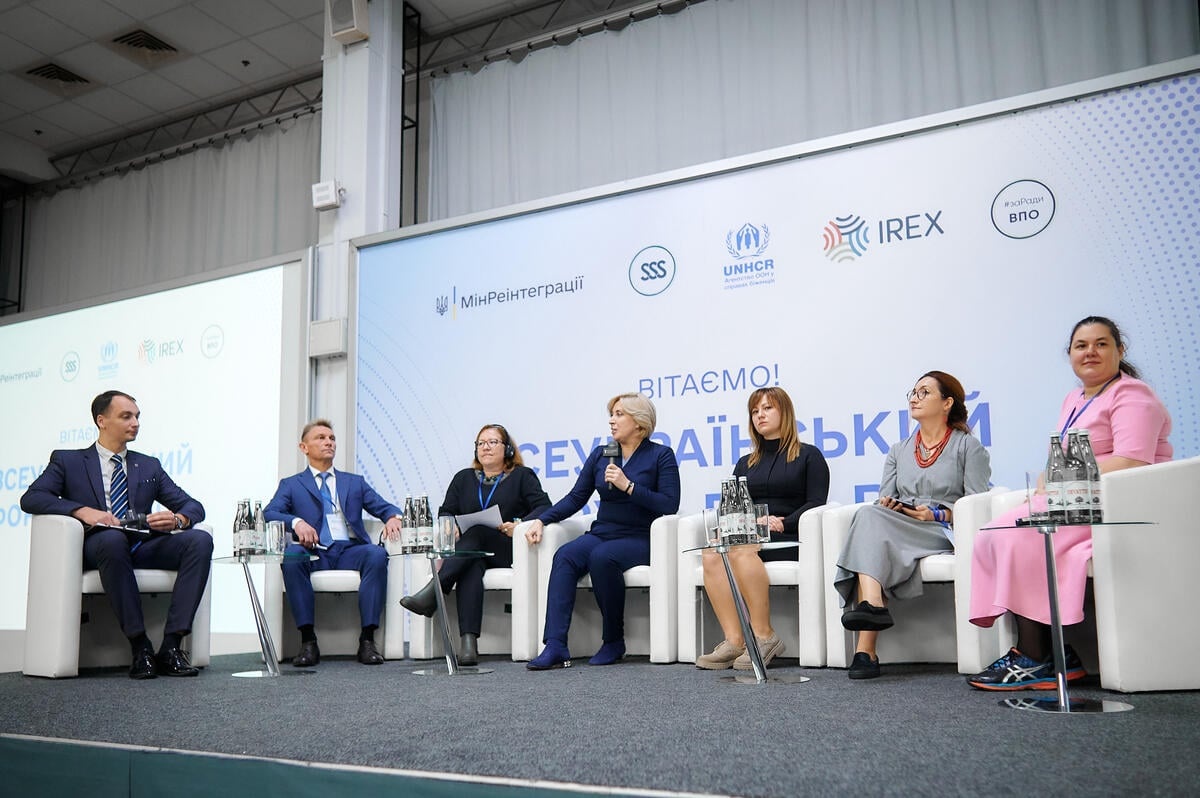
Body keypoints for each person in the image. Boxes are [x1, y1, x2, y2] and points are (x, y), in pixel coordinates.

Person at [967, 316, 1172, 690]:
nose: (1090, 352)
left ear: (1119, 350)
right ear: (1070, 355)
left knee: (1024, 537)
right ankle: (1058, 653)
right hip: (1078, 502)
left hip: (1121, 504)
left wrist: (1062, 476)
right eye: (1081, 345)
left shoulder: (1132, 394)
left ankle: (1034, 656)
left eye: (1101, 344)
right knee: (994, 531)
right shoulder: (1074, 398)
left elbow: (1133, 460)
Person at [21, 390, 213, 680]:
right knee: (111, 540)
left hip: (142, 543)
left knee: (200, 540)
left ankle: (172, 646)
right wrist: (81, 510)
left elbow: (193, 505)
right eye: (126, 416)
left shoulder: (149, 465)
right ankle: (140, 647)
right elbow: (31, 498)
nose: (135, 422)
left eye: (137, 416)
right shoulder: (68, 461)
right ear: (102, 421)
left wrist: (178, 518)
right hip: (98, 544)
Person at [834, 371, 991, 680]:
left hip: (941, 530)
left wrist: (936, 515)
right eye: (913, 392)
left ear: (947, 403)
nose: (914, 398)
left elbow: (977, 505)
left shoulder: (968, 448)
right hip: (902, 526)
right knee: (870, 516)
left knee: (874, 534)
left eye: (924, 392)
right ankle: (872, 607)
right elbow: (885, 498)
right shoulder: (898, 450)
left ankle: (866, 645)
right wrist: (893, 506)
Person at [524, 393, 680, 669]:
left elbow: (669, 504)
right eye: (612, 414)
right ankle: (556, 645)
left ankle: (613, 640)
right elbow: (576, 497)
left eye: (620, 414)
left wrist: (629, 486)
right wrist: (542, 520)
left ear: (639, 422)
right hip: (603, 532)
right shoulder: (602, 454)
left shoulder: (660, 455)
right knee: (565, 556)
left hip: (640, 536)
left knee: (602, 557)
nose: (612, 420)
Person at [695, 387, 830, 670]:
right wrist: (726, 528)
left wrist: (784, 521)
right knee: (711, 553)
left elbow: (817, 503)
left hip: (789, 537)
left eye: (767, 408)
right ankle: (735, 641)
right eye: (755, 411)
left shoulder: (809, 456)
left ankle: (764, 636)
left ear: (785, 413)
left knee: (741, 551)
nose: (760, 415)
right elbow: (732, 507)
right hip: (751, 537)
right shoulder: (745, 463)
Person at [399, 423, 550, 665]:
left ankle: (434, 592)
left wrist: (519, 523)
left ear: (508, 449)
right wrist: (452, 526)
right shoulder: (463, 478)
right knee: (471, 565)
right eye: (481, 443)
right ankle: (468, 645)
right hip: (472, 553)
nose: (485, 447)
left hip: (507, 549)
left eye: (492, 442)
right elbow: (446, 511)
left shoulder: (522, 476)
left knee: (478, 532)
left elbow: (544, 507)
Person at [264, 419, 403, 667]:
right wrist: (296, 522)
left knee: (376, 554)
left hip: (349, 549)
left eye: (332, 438)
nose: (329, 441)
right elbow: (270, 513)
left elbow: (384, 506)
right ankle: (308, 641)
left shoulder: (354, 482)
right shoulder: (291, 484)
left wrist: (393, 517)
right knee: (293, 556)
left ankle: (368, 640)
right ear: (303, 447)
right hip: (314, 551)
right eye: (320, 437)